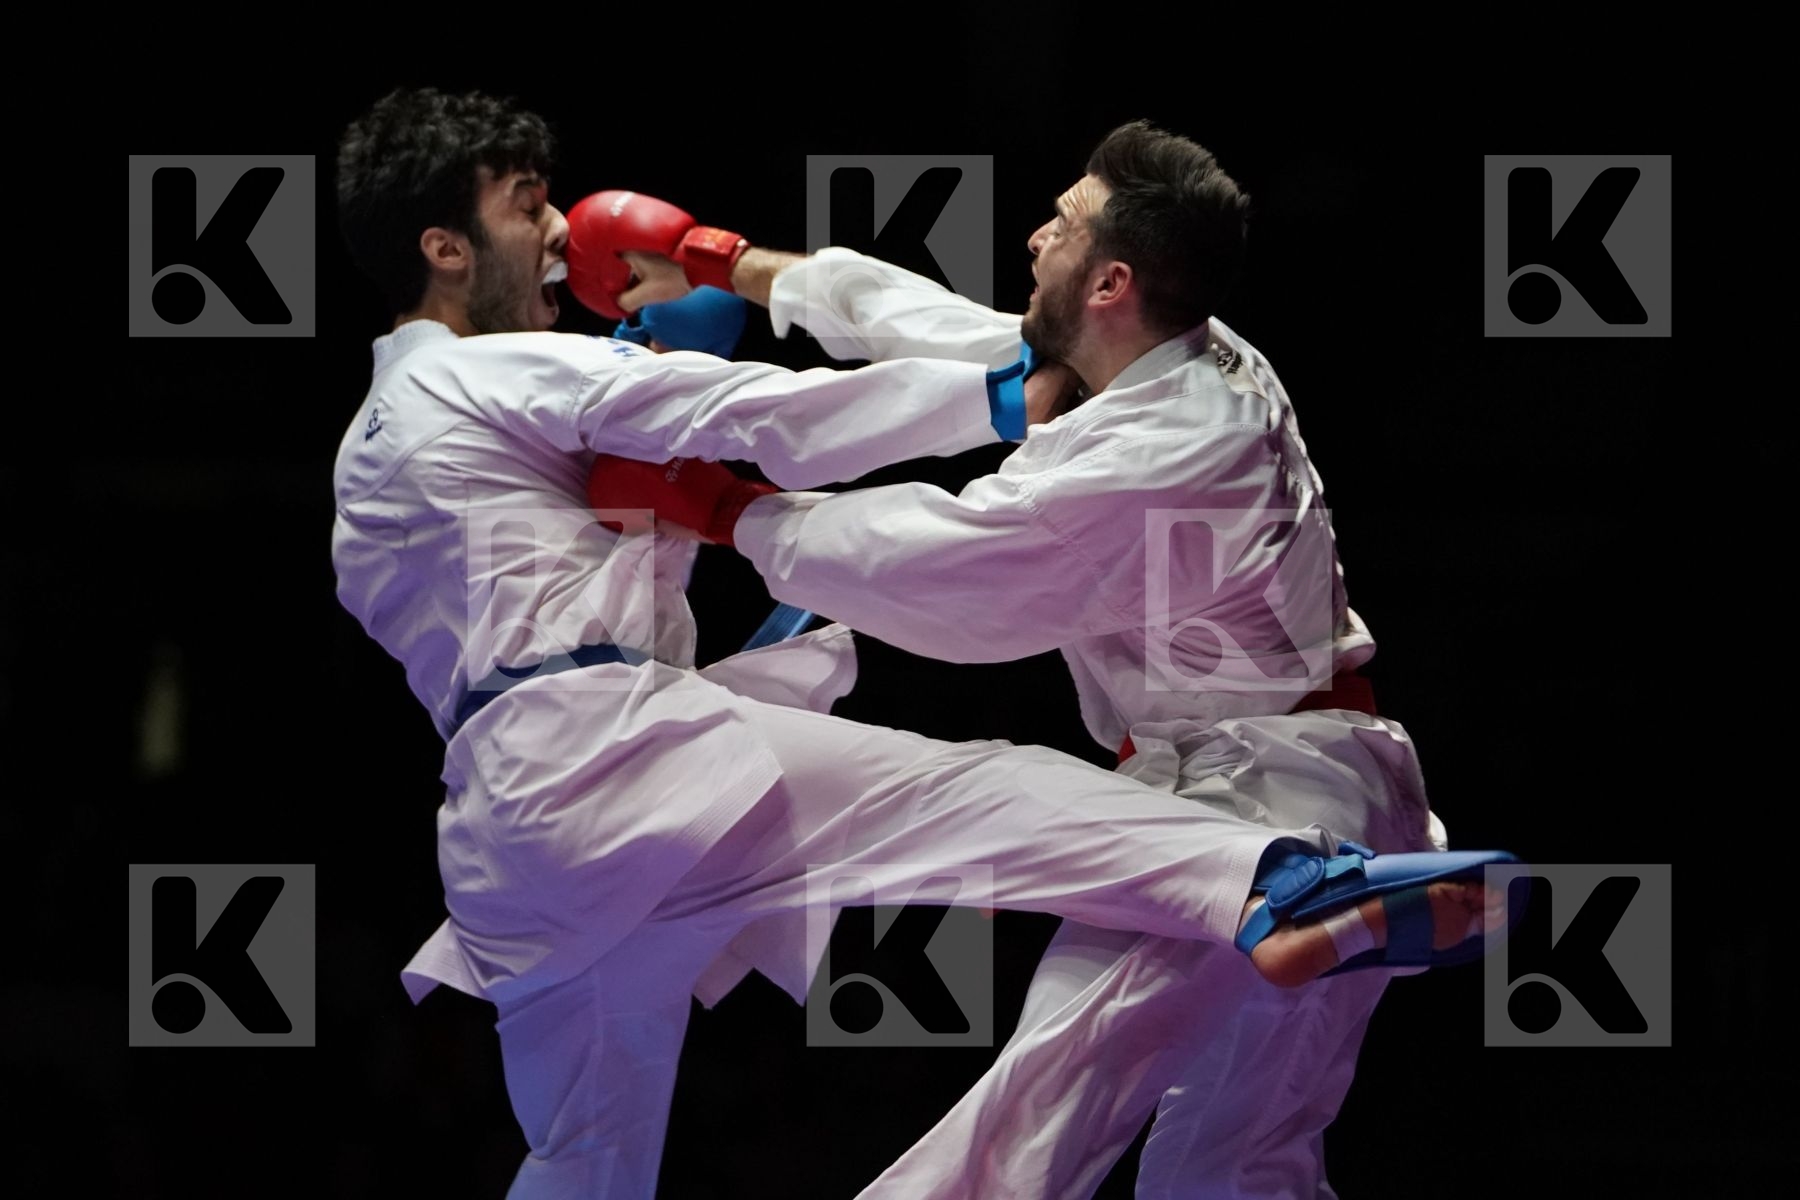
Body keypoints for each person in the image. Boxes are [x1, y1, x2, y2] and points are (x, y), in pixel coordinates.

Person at [333, 88, 1506, 1198]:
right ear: (444, 246)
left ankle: (1283, 883)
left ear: (1109, 280)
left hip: (508, 838)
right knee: (982, 803)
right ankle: (1277, 889)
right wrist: (721, 332)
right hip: (618, 760)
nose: (553, 231)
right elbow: (761, 406)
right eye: (526, 201)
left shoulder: (373, 452)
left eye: (1062, 223)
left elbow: (950, 543)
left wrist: (730, 487)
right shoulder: (501, 376)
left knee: (587, 1153)